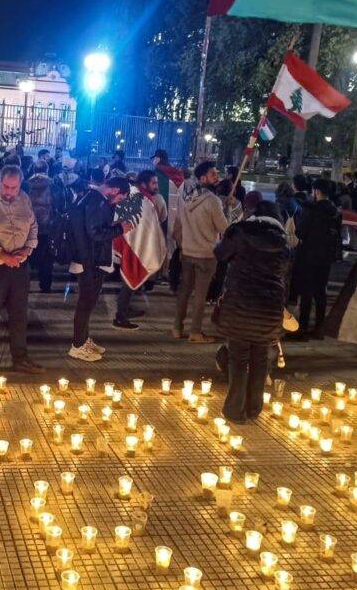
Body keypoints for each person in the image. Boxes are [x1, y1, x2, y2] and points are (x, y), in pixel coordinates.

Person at [214, 200, 290, 424]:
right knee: (260, 360)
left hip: (241, 304)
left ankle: (234, 411)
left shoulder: (240, 232)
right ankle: (253, 408)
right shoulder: (282, 242)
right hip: (269, 308)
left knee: (238, 360)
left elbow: (219, 254)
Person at [0, 164, 42, 374]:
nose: (10, 192)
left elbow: (33, 227)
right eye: (6, 187)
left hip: (19, 266)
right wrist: (4, 256)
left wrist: (27, 251)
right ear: (0, 182)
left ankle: (20, 358)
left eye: (15, 188)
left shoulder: (25, 199)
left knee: (19, 313)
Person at [66, 174, 133, 361]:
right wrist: (120, 229)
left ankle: (83, 339)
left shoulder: (92, 197)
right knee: (86, 303)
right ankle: (78, 345)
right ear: (114, 190)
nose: (118, 202)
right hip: (89, 260)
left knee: (89, 303)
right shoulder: (97, 201)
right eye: (120, 198)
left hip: (89, 258)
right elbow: (95, 233)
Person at [171, 161, 229, 342]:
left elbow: (178, 224)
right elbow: (223, 227)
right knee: (200, 295)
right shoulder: (213, 201)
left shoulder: (186, 197)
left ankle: (177, 328)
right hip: (206, 254)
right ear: (203, 177)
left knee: (184, 291)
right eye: (213, 174)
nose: (217, 176)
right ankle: (195, 331)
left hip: (187, 251)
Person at [113, 169, 167, 328]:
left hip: (136, 244)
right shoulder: (140, 199)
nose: (156, 186)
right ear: (144, 184)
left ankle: (125, 309)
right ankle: (120, 317)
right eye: (154, 183)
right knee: (129, 281)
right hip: (133, 246)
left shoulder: (140, 197)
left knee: (129, 282)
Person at [293, 178, 343, 337]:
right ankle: (319, 328)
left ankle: (303, 328)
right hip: (326, 256)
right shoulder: (335, 211)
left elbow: (300, 232)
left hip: (309, 254)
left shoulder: (312, 209)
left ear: (316, 191)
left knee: (306, 291)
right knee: (320, 291)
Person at [26, 160, 65, 293]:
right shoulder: (54, 187)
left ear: (34, 170)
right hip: (49, 229)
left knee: (27, 257)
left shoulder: (25, 186)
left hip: (28, 228)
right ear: (47, 170)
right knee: (47, 259)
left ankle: (24, 285)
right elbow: (60, 207)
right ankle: (45, 285)